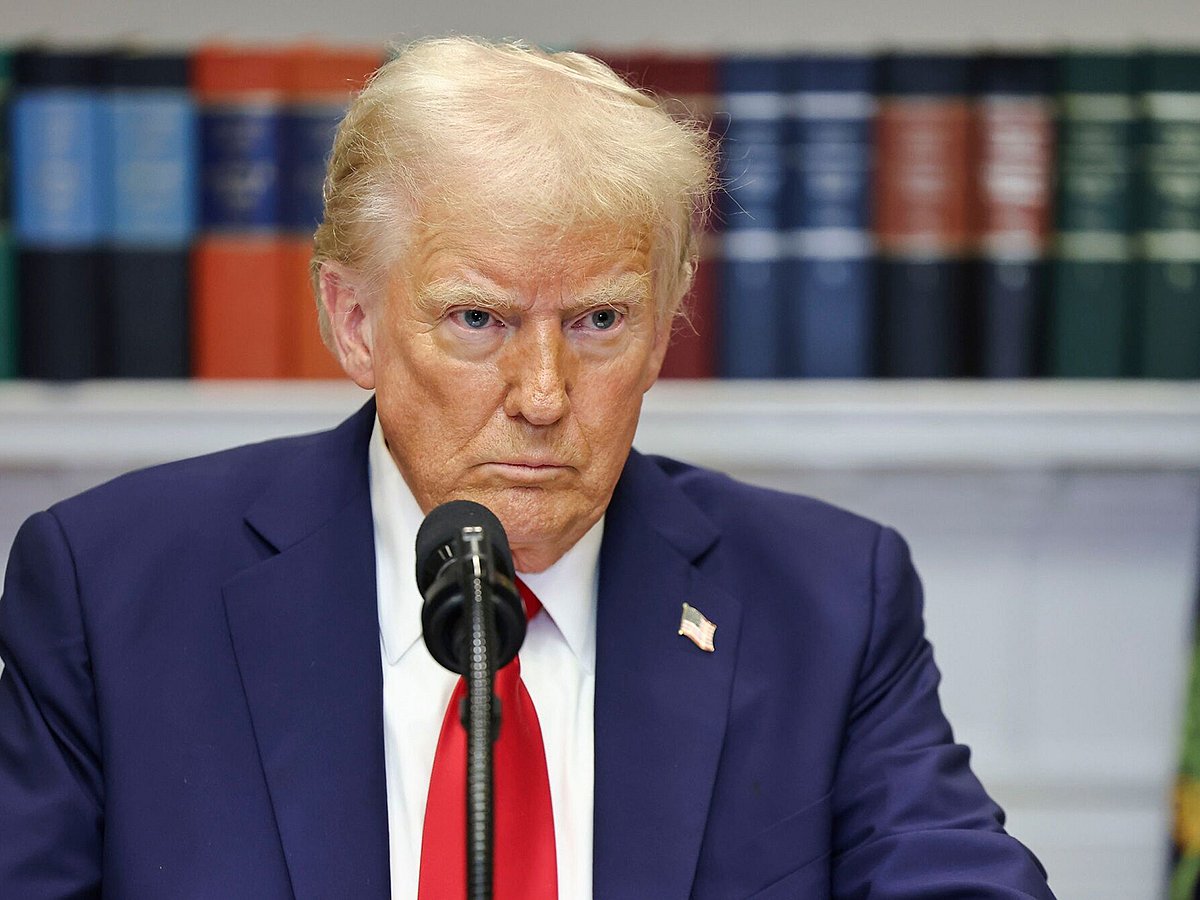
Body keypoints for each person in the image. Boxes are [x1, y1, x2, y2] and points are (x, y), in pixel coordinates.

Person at [0, 37, 1054, 899]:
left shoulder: (825, 598)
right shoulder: (114, 589)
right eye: (478, 319)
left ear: (663, 330)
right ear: (353, 321)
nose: (544, 393)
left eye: (600, 320)